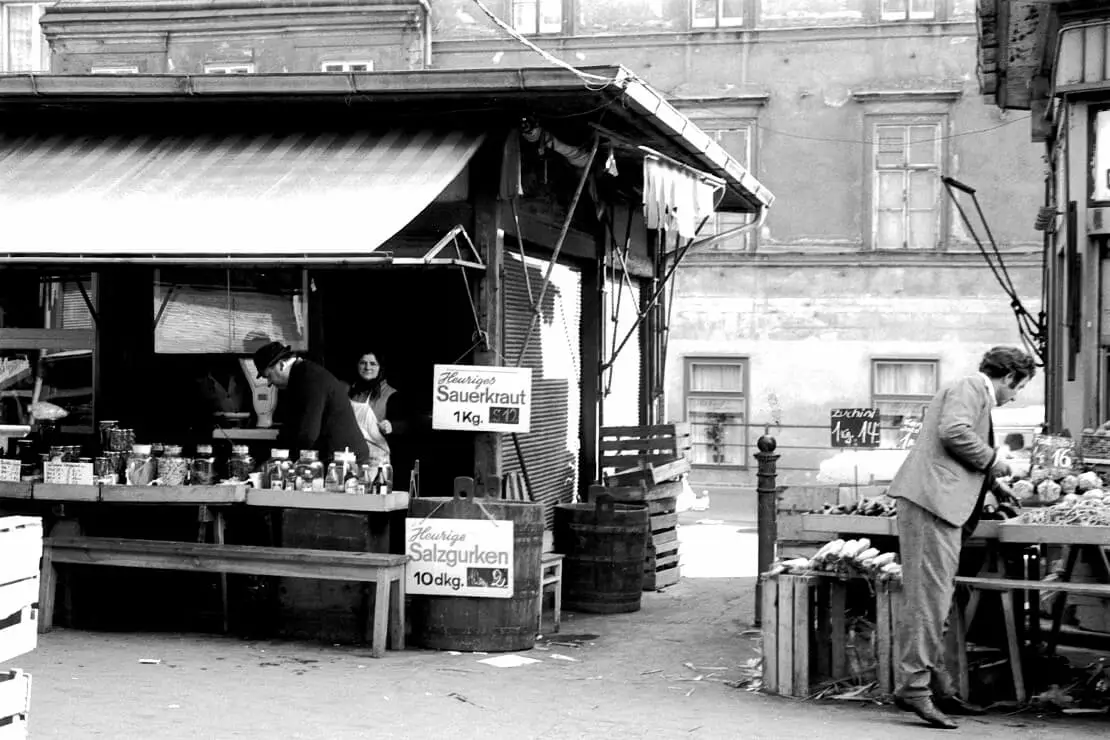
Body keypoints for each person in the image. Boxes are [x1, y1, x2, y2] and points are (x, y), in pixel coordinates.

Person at [888, 346, 1036, 729]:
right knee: (927, 601)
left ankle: (937, 687)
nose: (1014, 396)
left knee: (937, 601)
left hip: (939, 505)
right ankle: (914, 689)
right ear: (1008, 378)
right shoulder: (972, 387)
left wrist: (995, 485)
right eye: (1017, 388)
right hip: (932, 505)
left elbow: (954, 443)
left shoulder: (973, 393)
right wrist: (993, 461)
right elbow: (953, 432)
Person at [252, 341, 368, 464]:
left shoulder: (310, 378)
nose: (269, 383)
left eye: (269, 376)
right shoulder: (298, 377)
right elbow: (291, 426)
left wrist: (288, 460)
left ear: (281, 365)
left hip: (345, 459)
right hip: (332, 455)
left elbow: (308, 433)